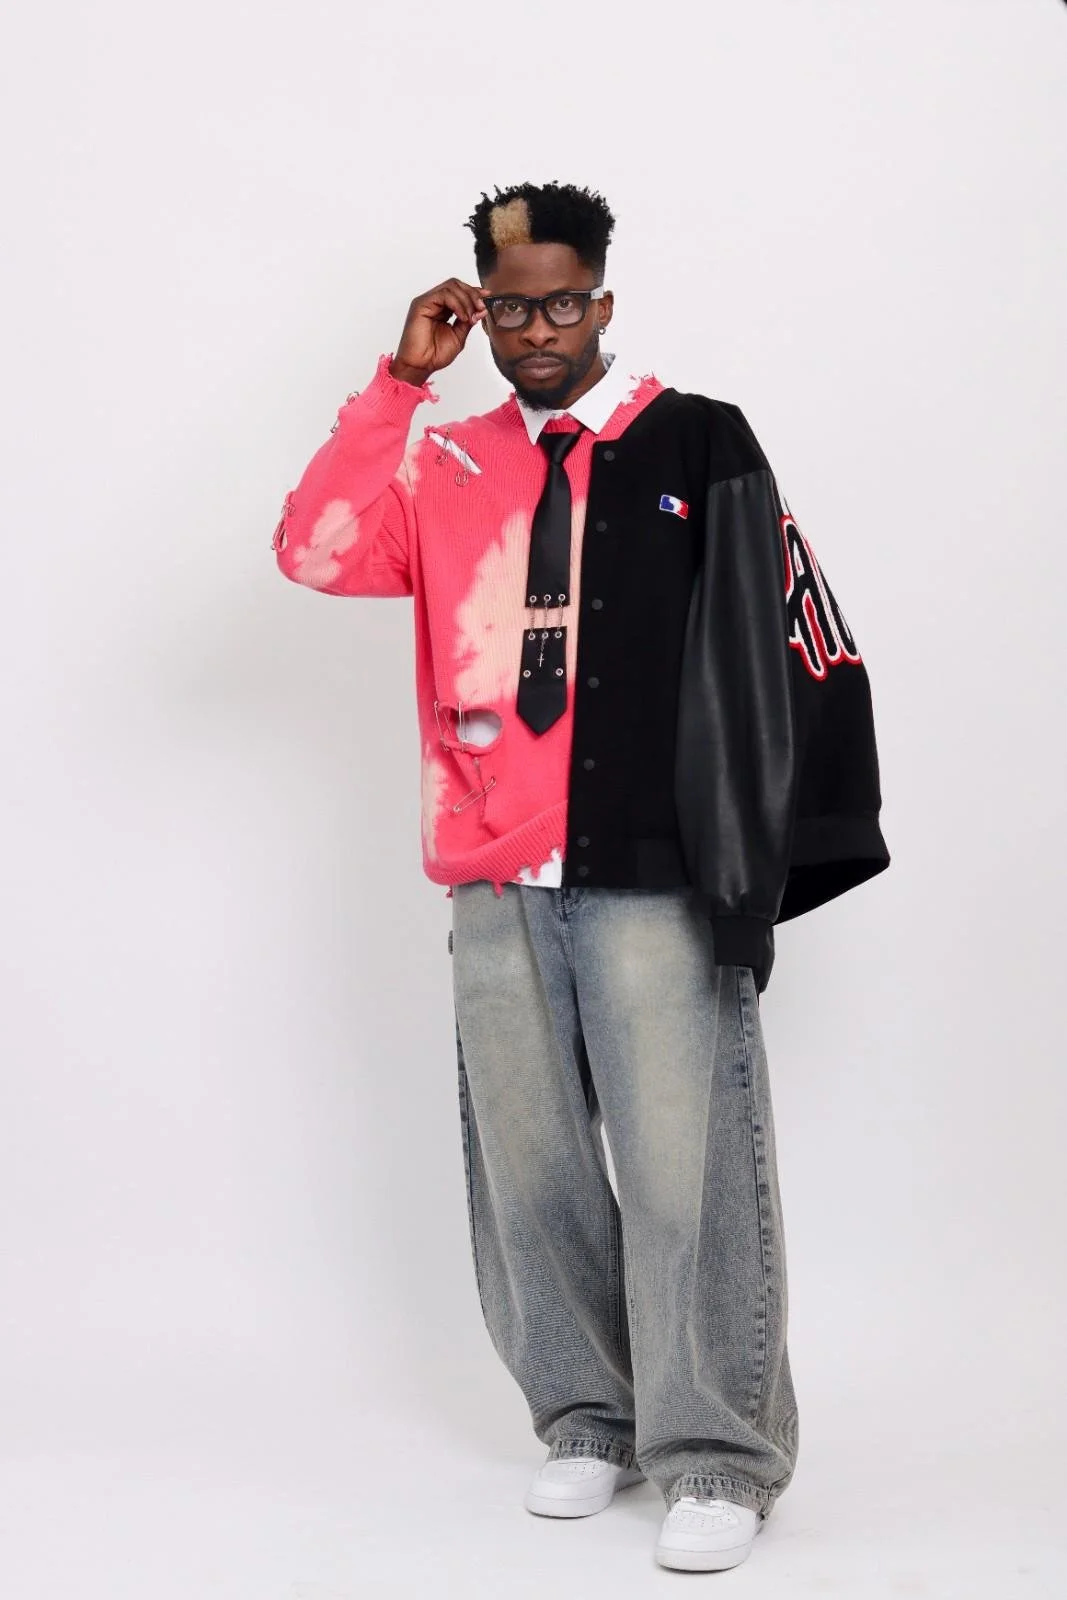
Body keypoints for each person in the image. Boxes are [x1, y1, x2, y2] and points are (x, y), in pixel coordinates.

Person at [272, 180, 890, 1574]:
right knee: (531, 1167)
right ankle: (588, 1418)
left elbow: (784, 628)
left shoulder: (693, 439)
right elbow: (312, 551)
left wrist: (767, 855)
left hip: (651, 866)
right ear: (475, 306)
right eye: (508, 306)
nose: (536, 330)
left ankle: (716, 1450)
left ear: (600, 302)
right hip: (493, 875)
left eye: (561, 303)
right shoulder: (449, 465)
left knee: (684, 1172)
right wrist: (394, 388)